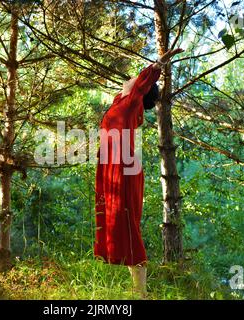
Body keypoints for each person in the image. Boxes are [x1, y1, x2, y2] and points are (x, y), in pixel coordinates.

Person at [94, 48, 184, 299]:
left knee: (128, 224)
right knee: (113, 221)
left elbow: (145, 79)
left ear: (140, 91)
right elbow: (135, 83)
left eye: (138, 81)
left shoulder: (132, 102)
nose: (132, 79)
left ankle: (141, 293)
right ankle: (136, 289)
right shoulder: (119, 102)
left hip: (124, 168)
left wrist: (161, 62)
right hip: (111, 166)